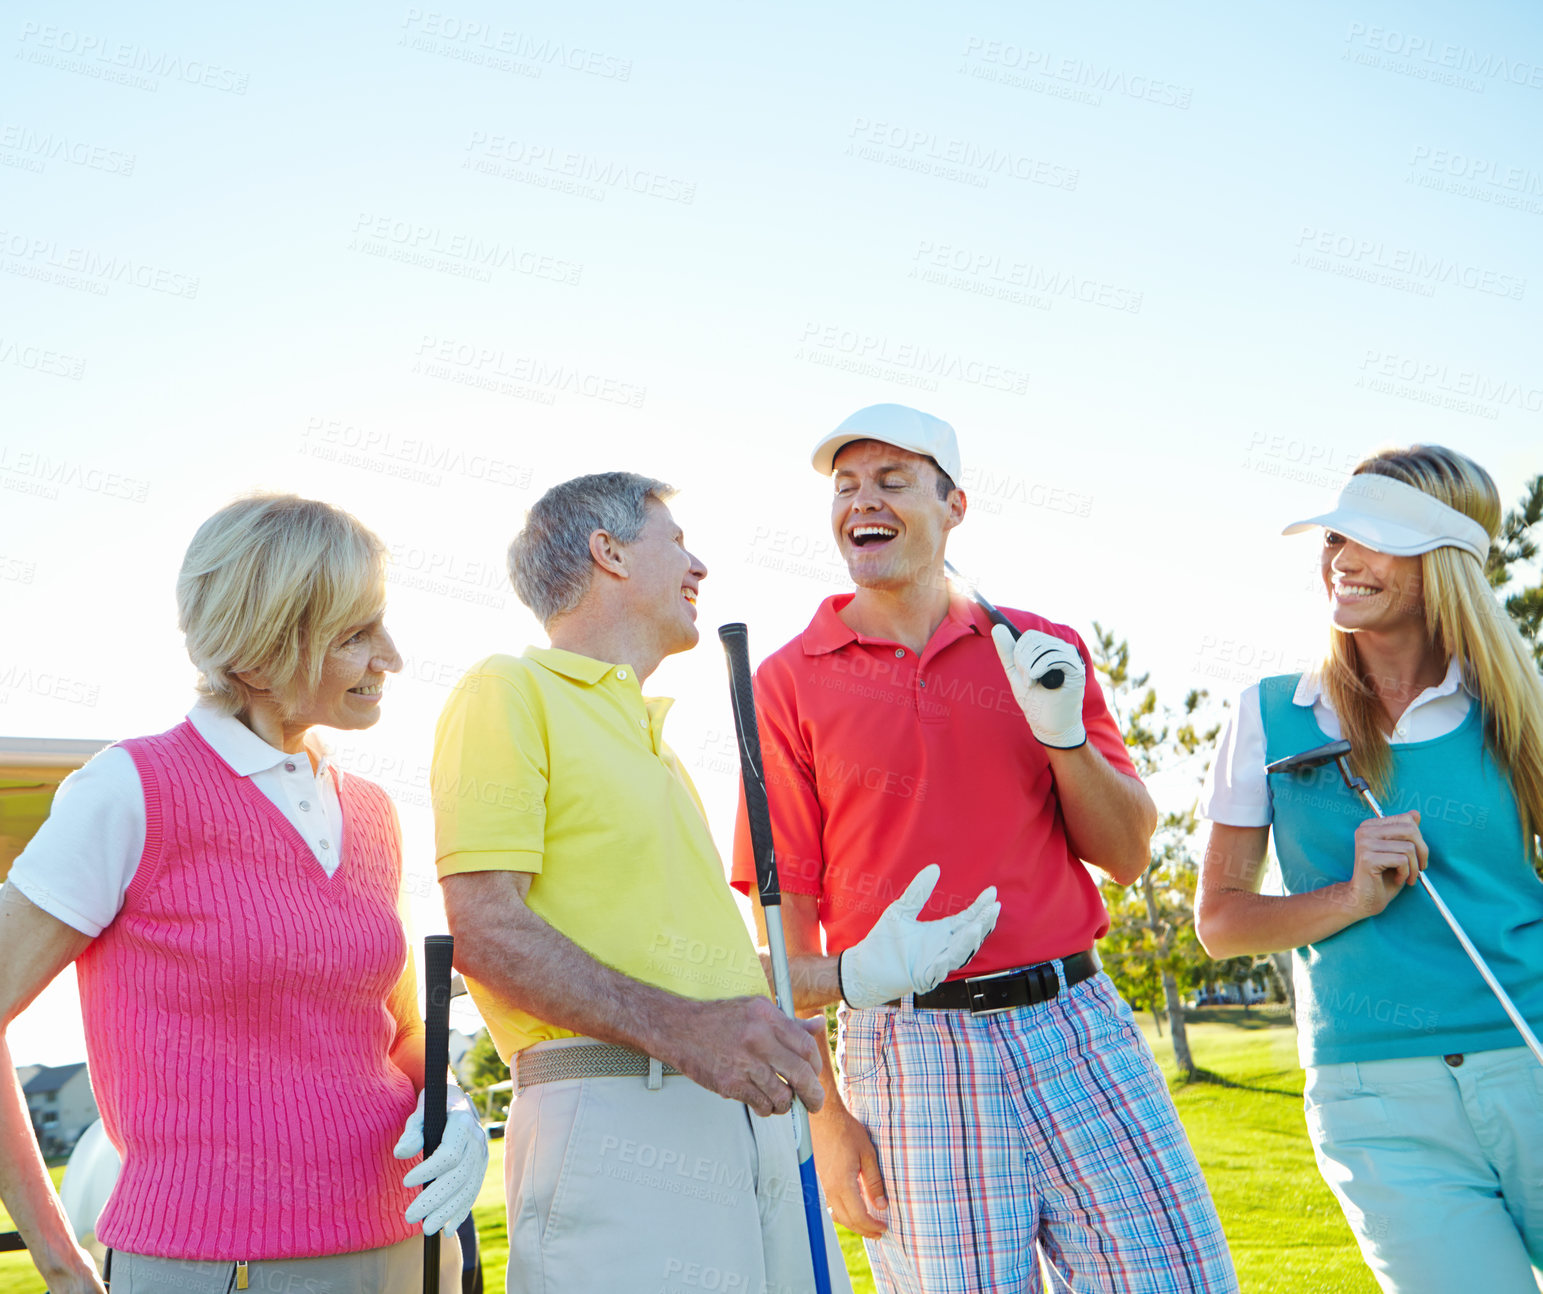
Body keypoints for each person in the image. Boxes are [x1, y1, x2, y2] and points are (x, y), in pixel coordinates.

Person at [431, 471, 996, 1294]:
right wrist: (686, 1032)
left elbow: (712, 984)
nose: (698, 568)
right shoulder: (508, 689)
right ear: (609, 551)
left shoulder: (653, 745)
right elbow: (483, 928)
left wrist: (851, 974)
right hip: (617, 1114)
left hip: (744, 1121)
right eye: (677, 543)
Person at [731, 404, 1239, 1294]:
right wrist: (826, 1118)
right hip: (909, 1049)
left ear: (954, 505)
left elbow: (1123, 853)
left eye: (891, 482)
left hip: (1076, 1023)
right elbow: (788, 934)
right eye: (846, 487)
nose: (862, 502)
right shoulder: (786, 680)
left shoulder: (1039, 651)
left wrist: (1061, 734)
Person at [0, 494, 487, 1294]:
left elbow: (394, 1026)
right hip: (216, 1267)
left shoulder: (371, 810)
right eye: (356, 634)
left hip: (407, 1252)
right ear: (260, 656)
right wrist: (57, 1260)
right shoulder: (130, 791)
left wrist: (449, 1095)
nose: (391, 656)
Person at [1196, 446, 1543, 1293]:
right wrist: (1350, 898)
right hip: (1372, 1098)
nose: (1341, 560)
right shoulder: (1271, 715)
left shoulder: (1519, 708)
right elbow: (1221, 921)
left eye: (1372, 540)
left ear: (1445, 564)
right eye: (1334, 537)